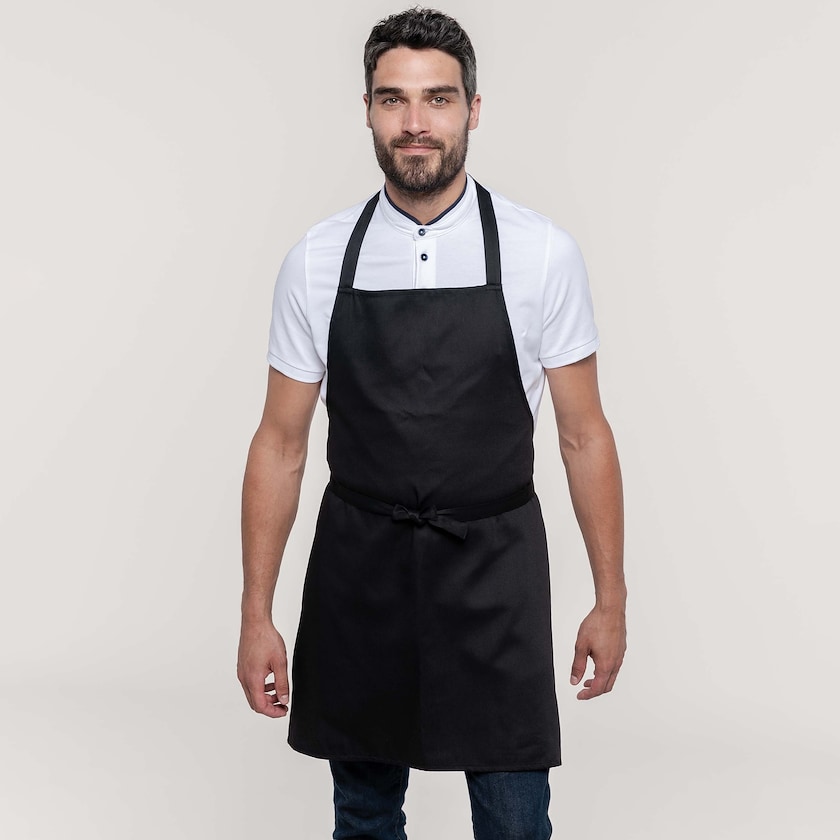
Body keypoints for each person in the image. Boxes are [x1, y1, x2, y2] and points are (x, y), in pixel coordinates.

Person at [237, 8, 626, 839]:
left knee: (515, 822)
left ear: (473, 109)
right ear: (368, 110)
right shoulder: (316, 260)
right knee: (364, 817)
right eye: (394, 100)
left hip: (495, 574)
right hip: (359, 574)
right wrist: (256, 612)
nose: (415, 123)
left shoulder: (541, 253)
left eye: (438, 99)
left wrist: (611, 598)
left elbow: (583, 434)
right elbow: (281, 442)